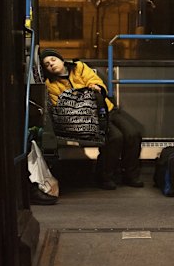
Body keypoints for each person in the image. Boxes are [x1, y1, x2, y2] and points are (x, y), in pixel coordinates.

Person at [40, 48, 144, 190]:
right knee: (115, 137)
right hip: (88, 118)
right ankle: (105, 176)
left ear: (62, 60)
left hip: (106, 109)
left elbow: (95, 81)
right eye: (46, 64)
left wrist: (96, 88)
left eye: (53, 60)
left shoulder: (79, 68)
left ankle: (130, 174)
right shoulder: (51, 85)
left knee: (133, 133)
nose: (51, 64)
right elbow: (62, 105)